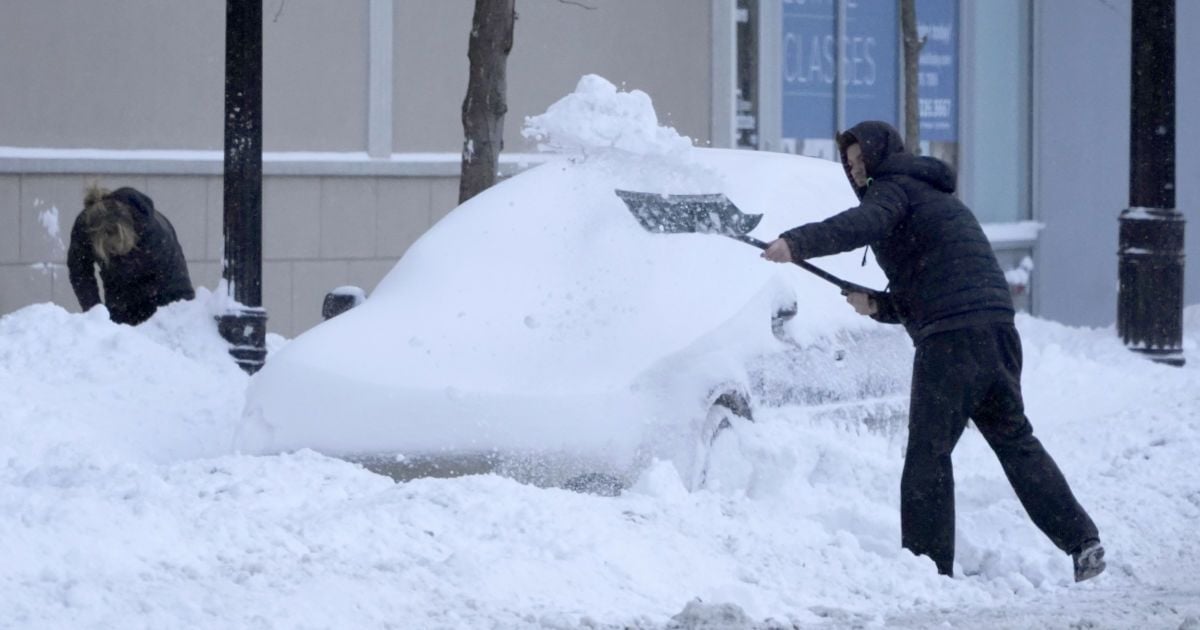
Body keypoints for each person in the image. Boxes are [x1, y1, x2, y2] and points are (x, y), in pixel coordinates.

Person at [762, 120, 1105, 582]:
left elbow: (860, 225)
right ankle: (1083, 542)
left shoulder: (893, 190)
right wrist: (880, 305)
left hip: (952, 342)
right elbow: (937, 281)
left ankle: (926, 570)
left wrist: (795, 243)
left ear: (880, 156)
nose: (856, 171)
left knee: (928, 455)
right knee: (1015, 443)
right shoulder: (934, 196)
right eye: (850, 165)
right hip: (997, 331)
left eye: (861, 161)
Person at [67, 185, 195, 326]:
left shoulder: (155, 234)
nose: (116, 254)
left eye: (119, 248)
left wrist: (181, 317)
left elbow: (177, 285)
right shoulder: (85, 227)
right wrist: (94, 312)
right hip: (118, 293)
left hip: (161, 292)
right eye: (109, 251)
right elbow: (80, 272)